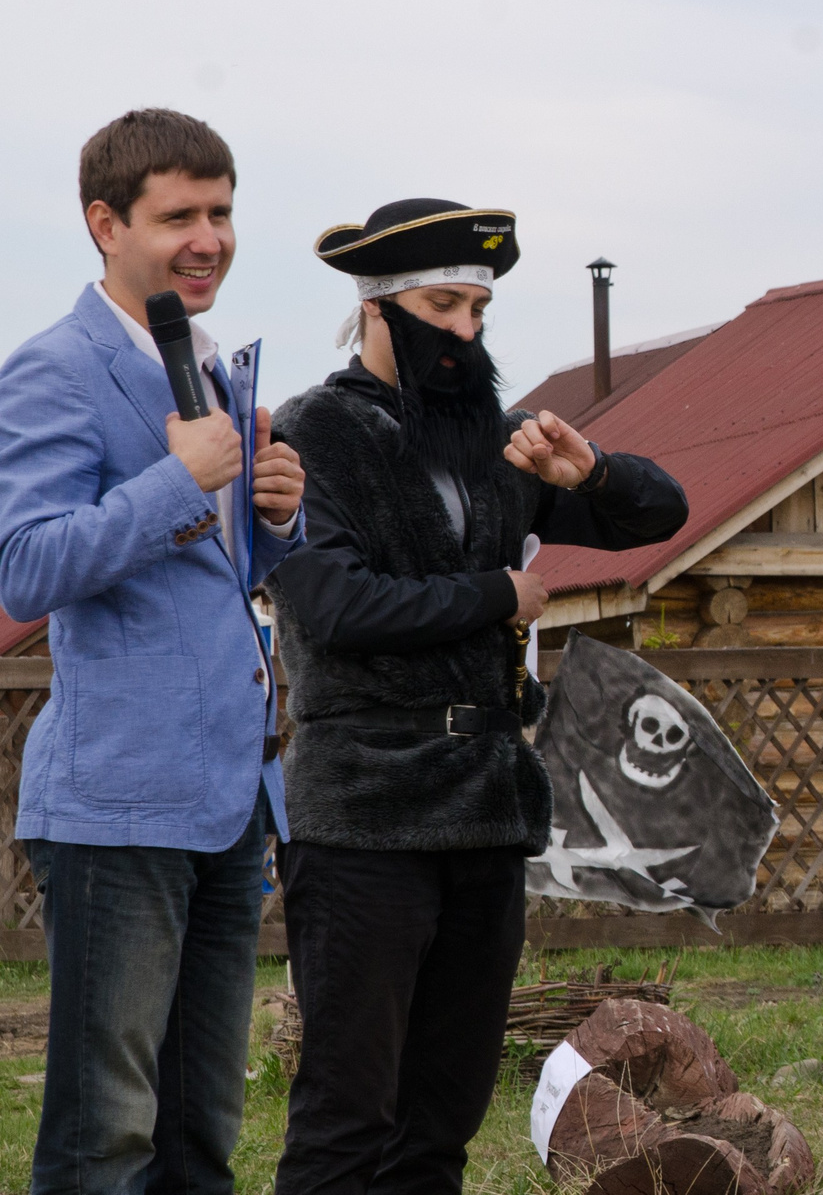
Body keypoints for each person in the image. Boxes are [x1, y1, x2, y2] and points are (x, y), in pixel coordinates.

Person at [265, 199, 690, 1195]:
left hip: (486, 814)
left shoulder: (498, 442)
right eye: (443, 304)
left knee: (444, 1114)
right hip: (365, 812)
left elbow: (659, 513)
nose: (464, 330)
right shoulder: (311, 432)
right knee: (346, 1111)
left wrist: (593, 470)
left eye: (479, 310)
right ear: (377, 309)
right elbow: (329, 602)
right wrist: (497, 593)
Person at [0, 109, 307, 1195]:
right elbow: (25, 568)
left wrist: (272, 516)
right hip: (117, 803)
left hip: (227, 799)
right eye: (179, 215)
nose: (209, 237)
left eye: (221, 212)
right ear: (104, 223)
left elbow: (206, 578)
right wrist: (179, 484)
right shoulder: (55, 368)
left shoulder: (214, 366)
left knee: (199, 1138)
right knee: (104, 1142)